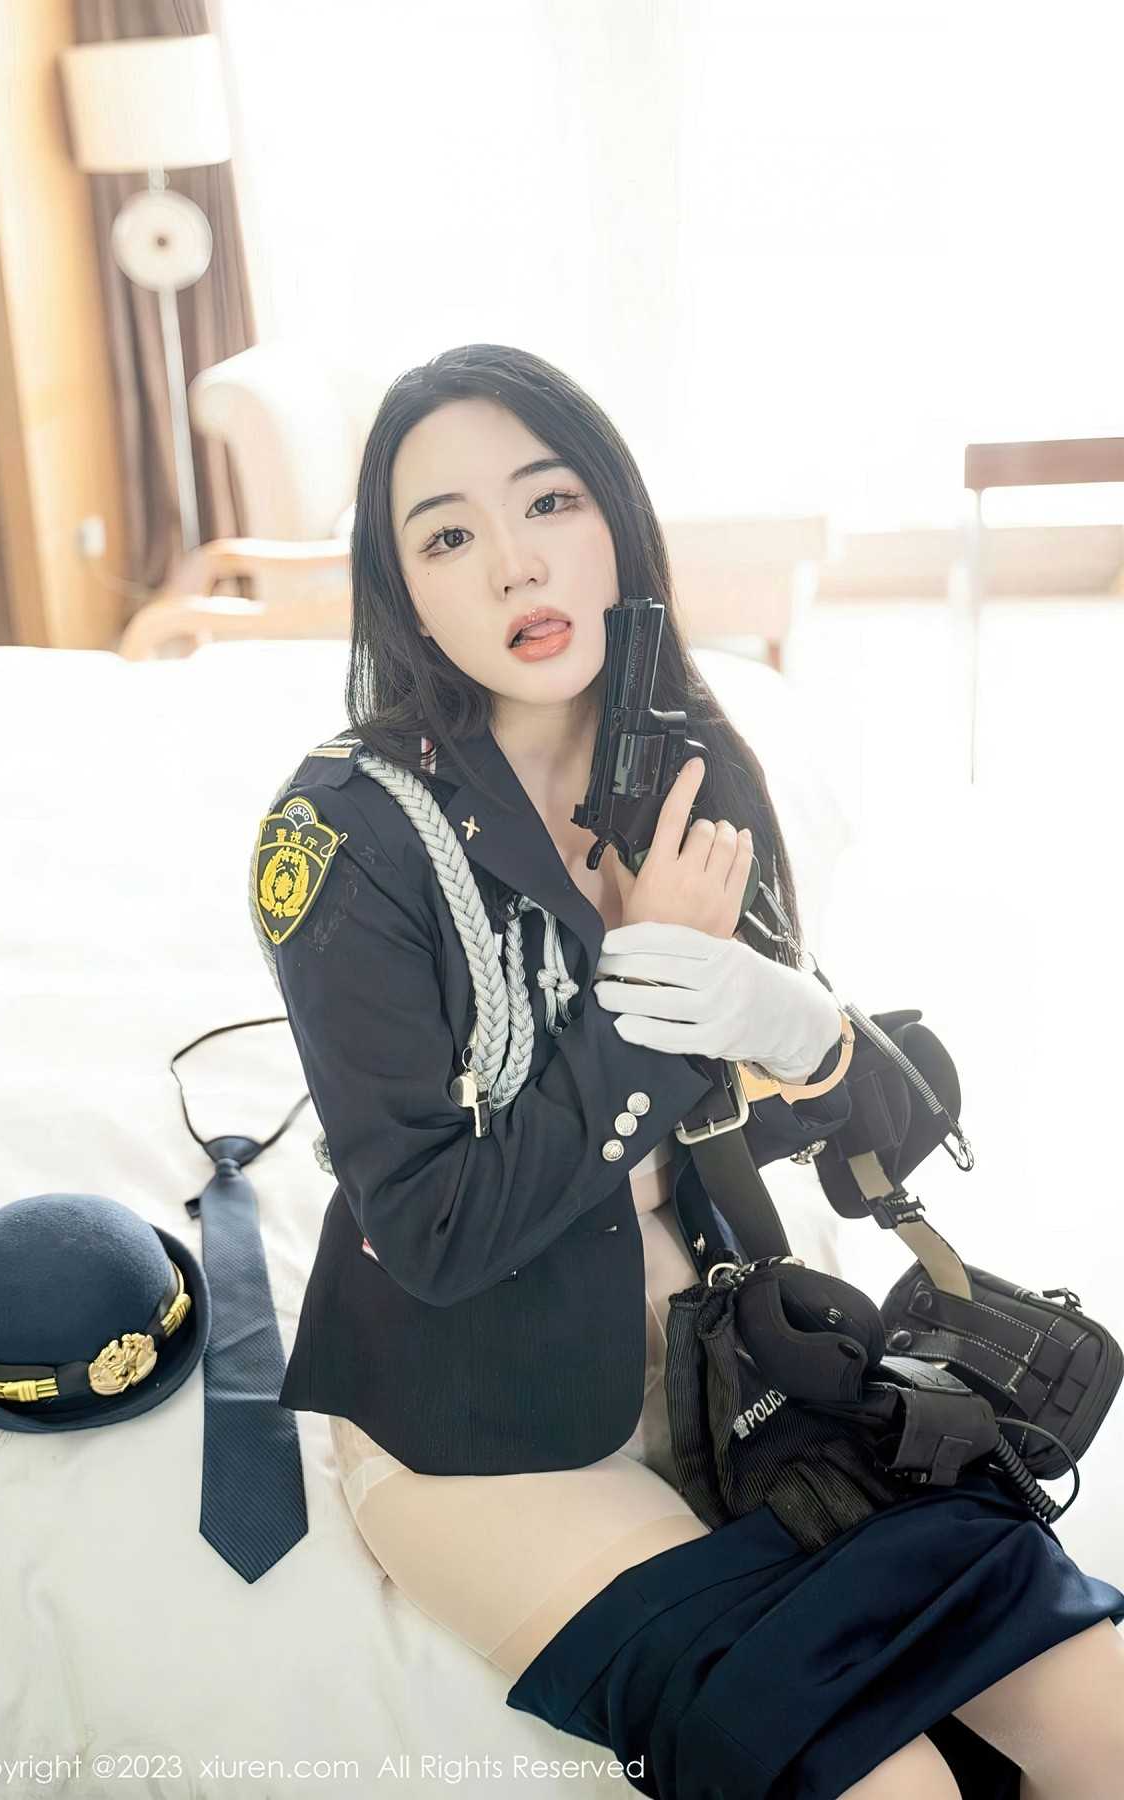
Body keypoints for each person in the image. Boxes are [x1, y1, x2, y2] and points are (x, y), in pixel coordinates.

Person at [252, 344, 1124, 1799]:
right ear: (402, 590)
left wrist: (806, 1028)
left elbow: (860, 1128)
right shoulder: (344, 835)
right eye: (449, 537)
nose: (517, 565)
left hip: (729, 1355)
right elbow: (435, 1227)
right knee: (890, 1782)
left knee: (1105, 1714)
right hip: (475, 1421)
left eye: (551, 502)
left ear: (615, 519)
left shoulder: (689, 759)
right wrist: (653, 1003)